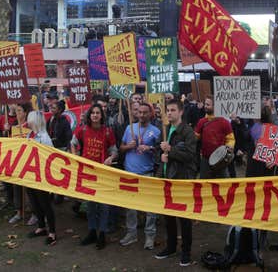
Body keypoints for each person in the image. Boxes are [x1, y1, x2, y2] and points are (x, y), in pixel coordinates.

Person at [154, 99, 196, 267]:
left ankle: (186, 252)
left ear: (180, 112)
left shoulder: (187, 132)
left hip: (182, 180)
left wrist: (171, 151)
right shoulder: (164, 130)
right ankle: (171, 247)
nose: (169, 113)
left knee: (184, 218)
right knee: (168, 216)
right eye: (167, 110)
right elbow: (160, 154)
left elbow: (190, 155)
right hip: (167, 179)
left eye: (172, 110)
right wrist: (162, 156)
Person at [72, 103, 117, 249]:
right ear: (89, 115)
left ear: (101, 115)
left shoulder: (108, 131)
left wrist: (111, 158)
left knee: (104, 206)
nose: (95, 115)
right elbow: (72, 142)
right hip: (88, 173)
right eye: (93, 113)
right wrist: (75, 156)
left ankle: (102, 234)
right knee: (90, 205)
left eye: (98, 113)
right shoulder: (83, 130)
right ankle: (92, 232)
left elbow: (114, 151)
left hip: (103, 173)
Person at [118, 102, 161, 249]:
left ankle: (150, 236)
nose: (142, 115)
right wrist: (128, 146)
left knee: (150, 207)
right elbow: (121, 147)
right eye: (139, 112)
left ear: (150, 114)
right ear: (136, 113)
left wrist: (149, 148)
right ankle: (131, 234)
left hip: (147, 173)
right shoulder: (129, 128)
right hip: (129, 173)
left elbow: (160, 150)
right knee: (130, 207)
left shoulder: (156, 131)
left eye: (145, 112)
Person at [25, 111, 57, 245]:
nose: (27, 121)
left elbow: (50, 157)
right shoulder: (29, 135)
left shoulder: (44, 138)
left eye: (29, 119)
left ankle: (52, 232)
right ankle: (41, 226)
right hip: (30, 174)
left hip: (41, 175)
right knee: (35, 202)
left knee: (45, 204)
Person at [194, 96, 235, 179]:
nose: (205, 106)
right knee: (205, 185)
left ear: (215, 106)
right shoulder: (201, 122)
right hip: (205, 159)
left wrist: (229, 148)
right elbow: (196, 137)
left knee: (222, 185)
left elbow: (230, 139)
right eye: (205, 104)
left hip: (220, 160)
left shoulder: (224, 122)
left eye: (208, 104)